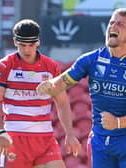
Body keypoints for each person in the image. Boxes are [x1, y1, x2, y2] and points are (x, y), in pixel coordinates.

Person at [37, 8, 126, 168]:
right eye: (111, 22)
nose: (113, 27)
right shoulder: (91, 59)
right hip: (101, 142)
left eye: (120, 24)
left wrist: (118, 123)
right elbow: (61, 82)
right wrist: (49, 86)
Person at [0, 19, 81, 168]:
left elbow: (62, 102)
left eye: (31, 45)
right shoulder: (4, 66)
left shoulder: (50, 66)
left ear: (38, 42)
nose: (27, 50)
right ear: (15, 42)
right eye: (22, 45)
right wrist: (0, 132)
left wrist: (69, 133)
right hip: (15, 138)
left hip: (45, 138)